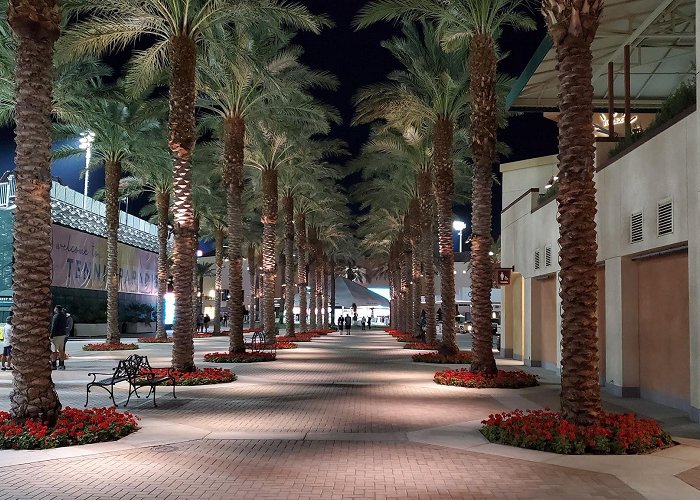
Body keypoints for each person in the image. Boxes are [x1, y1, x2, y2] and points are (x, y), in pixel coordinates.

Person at [50, 305, 68, 370]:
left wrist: (51, 335)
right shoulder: (64, 316)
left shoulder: (56, 316)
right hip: (63, 335)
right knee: (61, 350)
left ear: (57, 309)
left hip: (56, 336)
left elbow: (54, 326)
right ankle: (61, 364)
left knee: (53, 350)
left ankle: (53, 364)